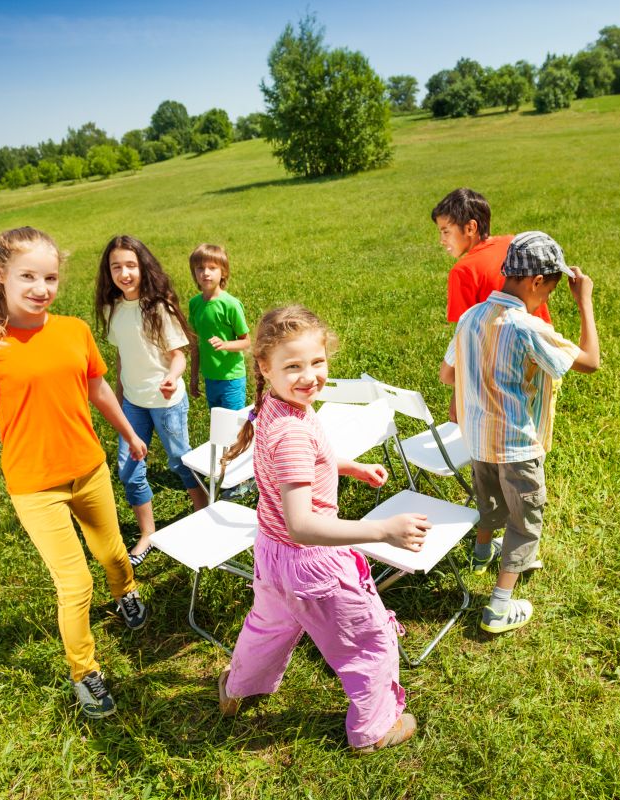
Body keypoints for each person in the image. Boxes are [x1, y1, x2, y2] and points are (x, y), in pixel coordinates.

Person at [0, 226, 150, 719]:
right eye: (28, 277)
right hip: (34, 488)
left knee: (113, 554)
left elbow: (100, 390)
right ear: (1, 275)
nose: (41, 288)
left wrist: (128, 432)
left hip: (89, 471)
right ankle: (84, 672)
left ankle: (125, 593)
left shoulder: (74, 331)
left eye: (51, 277)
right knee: (75, 583)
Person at [215, 305, 431, 754]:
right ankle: (374, 730)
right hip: (312, 566)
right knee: (369, 641)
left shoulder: (275, 407)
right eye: (292, 366)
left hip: (272, 556)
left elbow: (296, 468)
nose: (308, 375)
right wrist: (382, 530)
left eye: (317, 362)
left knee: (268, 627)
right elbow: (303, 525)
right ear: (264, 367)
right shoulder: (292, 430)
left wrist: (346, 466)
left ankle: (238, 688)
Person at [439, 231, 600, 635]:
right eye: (552, 289)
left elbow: (446, 374)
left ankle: (481, 552)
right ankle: (497, 607)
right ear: (535, 282)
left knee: (489, 500)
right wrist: (585, 303)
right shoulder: (528, 327)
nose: (549, 297)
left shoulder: (471, 316)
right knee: (525, 521)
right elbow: (590, 362)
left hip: (477, 439)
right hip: (516, 446)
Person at [94, 235, 208, 569]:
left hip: (166, 402)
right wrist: (118, 396)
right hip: (132, 404)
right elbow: (121, 357)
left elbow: (179, 356)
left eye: (131, 265)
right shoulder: (112, 308)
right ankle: (147, 533)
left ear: (143, 267)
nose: (124, 273)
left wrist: (172, 377)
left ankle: (204, 515)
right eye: (116, 267)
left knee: (180, 461)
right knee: (129, 470)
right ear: (109, 272)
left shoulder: (159, 307)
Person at [431, 188, 551, 324]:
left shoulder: (462, 272)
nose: (442, 240)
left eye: (446, 232)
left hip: (506, 344)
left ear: (470, 228)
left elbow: (465, 332)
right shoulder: (515, 243)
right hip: (544, 338)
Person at [187, 243, 250, 411]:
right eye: (200, 268)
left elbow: (246, 342)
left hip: (231, 378)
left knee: (233, 425)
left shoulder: (231, 305)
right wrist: (194, 378)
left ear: (224, 272)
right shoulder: (194, 304)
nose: (205, 273)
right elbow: (195, 346)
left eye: (212, 268)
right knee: (218, 424)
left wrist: (226, 344)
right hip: (210, 378)